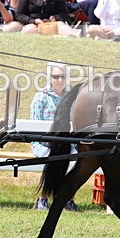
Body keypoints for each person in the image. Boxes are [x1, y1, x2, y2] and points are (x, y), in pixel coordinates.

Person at [31, 63, 78, 212]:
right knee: (53, 157)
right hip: (43, 143)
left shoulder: (73, 98)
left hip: (67, 142)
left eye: (62, 77)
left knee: (78, 158)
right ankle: (42, 198)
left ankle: (67, 198)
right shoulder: (41, 97)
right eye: (55, 76)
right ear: (49, 78)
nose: (59, 80)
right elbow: (34, 124)